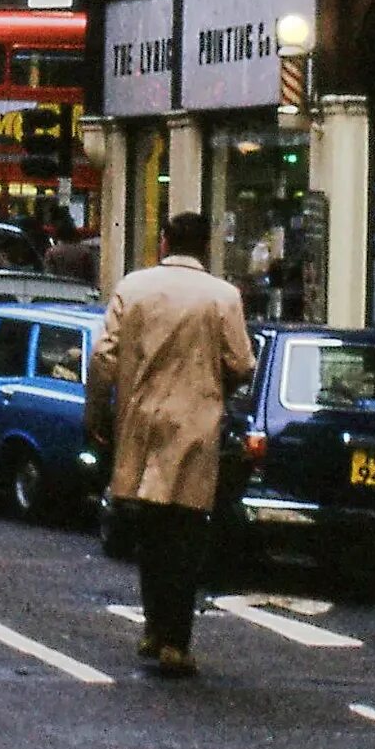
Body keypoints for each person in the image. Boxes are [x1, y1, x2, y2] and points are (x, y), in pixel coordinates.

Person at [86, 210, 253, 679]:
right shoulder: (223, 297)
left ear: (164, 243)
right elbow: (241, 362)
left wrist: (97, 411)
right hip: (195, 426)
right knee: (185, 533)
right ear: (206, 248)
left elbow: (103, 356)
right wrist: (214, 386)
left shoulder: (133, 288)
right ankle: (175, 640)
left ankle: (155, 627)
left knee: (150, 529)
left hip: (140, 421)